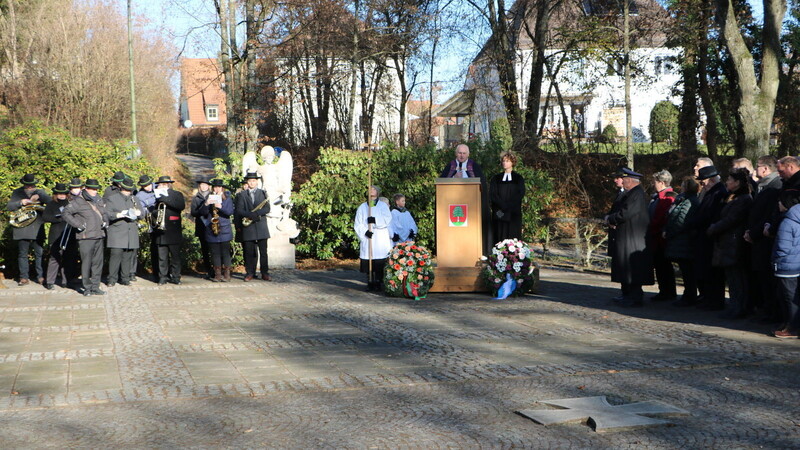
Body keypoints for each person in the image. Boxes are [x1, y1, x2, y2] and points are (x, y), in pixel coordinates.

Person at [707, 168, 753, 319]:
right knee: (732, 278)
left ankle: (739, 308)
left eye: (730, 180)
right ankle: (735, 306)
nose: (727, 182)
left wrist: (714, 228)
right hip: (728, 242)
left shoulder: (744, 199)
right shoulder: (733, 198)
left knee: (737, 278)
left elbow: (731, 219)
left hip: (735, 243)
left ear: (738, 182)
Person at [605, 168, 654, 307]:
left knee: (633, 269)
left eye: (625, 179)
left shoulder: (636, 194)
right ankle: (628, 295)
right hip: (629, 235)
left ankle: (635, 297)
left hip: (633, 237)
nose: (623, 181)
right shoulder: (633, 193)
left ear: (631, 181)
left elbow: (626, 213)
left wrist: (611, 219)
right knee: (628, 267)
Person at [744, 155, 782, 323]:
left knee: (768, 280)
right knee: (762, 279)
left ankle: (771, 313)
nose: (755, 170)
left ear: (765, 169)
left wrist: (754, 233)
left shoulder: (775, 186)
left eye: (758, 166)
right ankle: (766, 310)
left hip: (766, 241)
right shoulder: (764, 186)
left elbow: (768, 214)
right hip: (758, 239)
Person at [688, 165, 728, 311]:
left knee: (713, 273)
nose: (702, 184)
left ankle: (715, 300)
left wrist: (693, 223)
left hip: (710, 238)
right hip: (704, 237)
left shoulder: (719, 193)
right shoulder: (712, 192)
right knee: (707, 271)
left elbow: (709, 215)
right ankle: (709, 298)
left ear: (710, 180)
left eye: (703, 181)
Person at [62, 178, 108, 296]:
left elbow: (104, 212)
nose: (95, 191)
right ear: (86, 188)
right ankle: (87, 288)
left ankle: (95, 287)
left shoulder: (98, 199)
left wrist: (105, 221)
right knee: (86, 263)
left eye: (96, 189)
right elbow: (65, 213)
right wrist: (78, 225)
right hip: (85, 236)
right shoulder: (78, 201)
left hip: (99, 235)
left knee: (98, 263)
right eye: (93, 189)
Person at [6, 174, 51, 286]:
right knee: (22, 254)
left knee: (39, 253)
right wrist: (21, 202)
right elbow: (9, 206)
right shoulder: (17, 192)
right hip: (22, 227)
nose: (30, 188)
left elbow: (51, 203)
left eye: (32, 185)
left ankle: (40, 276)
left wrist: (39, 195)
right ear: (24, 184)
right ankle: (24, 277)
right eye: (28, 185)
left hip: (36, 227)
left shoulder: (40, 192)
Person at [664, 177, 700, 306]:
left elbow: (682, 221)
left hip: (685, 241)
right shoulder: (683, 199)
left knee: (688, 271)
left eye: (683, 185)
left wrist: (670, 233)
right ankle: (688, 295)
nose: (681, 187)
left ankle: (689, 296)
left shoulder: (690, 201)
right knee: (685, 271)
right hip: (681, 241)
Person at [105, 177, 143, 287]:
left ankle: (125, 278)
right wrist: (120, 214)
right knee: (115, 256)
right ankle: (112, 279)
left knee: (128, 256)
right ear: (121, 188)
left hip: (131, 231)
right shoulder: (112, 198)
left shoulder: (135, 199)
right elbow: (108, 213)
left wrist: (138, 213)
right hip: (117, 231)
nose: (128, 192)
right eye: (126, 190)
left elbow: (142, 215)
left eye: (129, 190)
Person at [772, 190, 800, 338]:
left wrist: (777, 260)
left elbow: (783, 246)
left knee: (789, 298)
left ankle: (793, 328)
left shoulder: (788, 221)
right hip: (797, 264)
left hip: (787, 265)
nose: (778, 204)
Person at [354, 185, 392, 291]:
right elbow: (358, 223)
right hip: (368, 237)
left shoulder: (383, 206)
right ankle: (370, 281)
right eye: (370, 189)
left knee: (379, 261)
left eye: (374, 189)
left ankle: (379, 281)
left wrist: (375, 221)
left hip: (379, 237)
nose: (371, 190)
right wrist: (365, 232)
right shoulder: (362, 207)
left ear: (378, 192)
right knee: (369, 260)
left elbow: (387, 219)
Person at [235, 172, 271, 282]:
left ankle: (264, 273)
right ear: (247, 182)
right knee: (249, 252)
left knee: (263, 252)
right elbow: (239, 210)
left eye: (254, 181)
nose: (252, 182)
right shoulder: (242, 194)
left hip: (261, 226)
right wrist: (249, 214)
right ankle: (250, 272)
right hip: (248, 226)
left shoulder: (263, 193)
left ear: (257, 182)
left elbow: (267, 208)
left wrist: (257, 213)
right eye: (250, 181)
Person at [42, 182, 78, 290]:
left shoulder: (70, 203)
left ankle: (66, 281)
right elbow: (45, 217)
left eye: (64, 193)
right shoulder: (51, 204)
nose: (62, 195)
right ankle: (50, 281)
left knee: (69, 258)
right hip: (56, 234)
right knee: (55, 258)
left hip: (69, 233)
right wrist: (59, 218)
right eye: (59, 193)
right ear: (55, 194)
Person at [647, 170, 676, 301]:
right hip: (656, 237)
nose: (654, 184)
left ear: (661, 182)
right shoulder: (658, 196)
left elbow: (661, 218)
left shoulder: (667, 197)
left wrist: (649, 227)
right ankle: (664, 291)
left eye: (655, 182)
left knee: (664, 266)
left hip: (660, 238)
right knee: (660, 266)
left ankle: (668, 292)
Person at [199, 178, 235, 282]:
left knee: (225, 252)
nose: (217, 189)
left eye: (219, 187)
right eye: (215, 187)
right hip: (212, 228)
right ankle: (217, 274)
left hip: (224, 228)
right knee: (215, 253)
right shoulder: (209, 197)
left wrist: (220, 207)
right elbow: (202, 212)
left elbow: (229, 212)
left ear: (222, 188)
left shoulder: (227, 198)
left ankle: (227, 274)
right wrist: (206, 204)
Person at [152, 175, 185, 285]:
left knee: (175, 257)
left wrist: (164, 198)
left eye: (161, 184)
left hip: (173, 229)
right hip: (161, 231)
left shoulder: (177, 194)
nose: (159, 186)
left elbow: (180, 206)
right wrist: (155, 214)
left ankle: (176, 277)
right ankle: (163, 277)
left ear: (167, 185)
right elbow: (154, 210)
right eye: (159, 185)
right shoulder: (157, 196)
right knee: (162, 257)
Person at [489, 151, 525, 242]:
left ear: (512, 162)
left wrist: (508, 206)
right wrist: (502, 205)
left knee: (513, 235)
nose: (505, 163)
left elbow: (520, 194)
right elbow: (493, 194)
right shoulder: (496, 178)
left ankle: (513, 255)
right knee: (498, 234)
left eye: (507, 161)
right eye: (503, 161)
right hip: (499, 212)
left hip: (513, 213)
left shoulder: (518, 178)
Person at [604, 168, 627, 301]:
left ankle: (627, 291)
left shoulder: (627, 194)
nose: (615, 180)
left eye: (618, 178)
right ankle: (624, 291)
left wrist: (613, 219)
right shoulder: (620, 193)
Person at [133, 175, 156, 281]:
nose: (148, 187)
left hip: (164, 220)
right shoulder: (139, 195)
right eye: (145, 186)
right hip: (152, 222)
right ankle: (156, 271)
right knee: (155, 247)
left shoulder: (157, 188)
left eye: (149, 185)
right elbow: (141, 211)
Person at [190, 177, 214, 279]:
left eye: (205, 185)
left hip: (212, 225)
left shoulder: (213, 196)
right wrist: (202, 209)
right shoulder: (196, 198)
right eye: (202, 185)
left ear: (208, 186)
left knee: (214, 249)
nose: (203, 186)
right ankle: (209, 270)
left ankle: (216, 269)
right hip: (201, 226)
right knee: (205, 250)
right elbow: (193, 212)